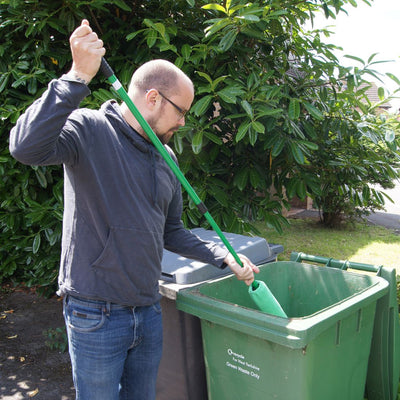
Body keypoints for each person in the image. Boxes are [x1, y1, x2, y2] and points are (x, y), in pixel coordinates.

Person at [9, 19, 259, 400]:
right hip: (96, 313)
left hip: (149, 309)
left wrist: (224, 255)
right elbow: (25, 147)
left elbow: (171, 231)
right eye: (181, 111)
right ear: (154, 98)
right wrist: (76, 76)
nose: (183, 122)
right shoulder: (89, 130)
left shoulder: (167, 158)